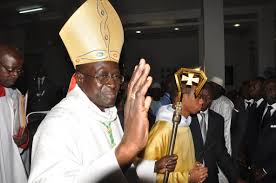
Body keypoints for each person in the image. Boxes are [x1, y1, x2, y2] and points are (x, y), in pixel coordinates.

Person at [28, 0, 160, 182]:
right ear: (80, 78)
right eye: (102, 76)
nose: (112, 83)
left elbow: (121, 167)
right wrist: (125, 149)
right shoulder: (59, 123)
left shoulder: (107, 114)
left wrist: (152, 166)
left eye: (116, 76)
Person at [141, 68, 208, 183]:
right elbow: (146, 177)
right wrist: (187, 178)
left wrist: (192, 166)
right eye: (198, 96)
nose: (202, 101)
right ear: (180, 96)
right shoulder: (163, 129)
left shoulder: (185, 124)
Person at [190, 82, 244, 183]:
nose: (204, 101)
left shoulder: (217, 120)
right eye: (201, 96)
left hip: (211, 176)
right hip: (190, 176)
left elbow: (221, 153)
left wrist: (236, 178)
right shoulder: (187, 117)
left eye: (208, 97)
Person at [0, 44, 29, 183]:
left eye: (19, 71)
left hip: (11, 169)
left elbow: (22, 133)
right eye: (10, 70)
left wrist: (23, 140)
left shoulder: (16, 96)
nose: (15, 75)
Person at [209, 76, 234, 183]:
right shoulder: (211, 101)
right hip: (213, 145)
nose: (211, 90)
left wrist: (224, 150)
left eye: (213, 87)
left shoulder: (225, 103)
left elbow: (226, 131)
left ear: (219, 89)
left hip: (223, 146)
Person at [251, 78, 276, 183]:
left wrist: (266, 170)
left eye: (271, 89)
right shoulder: (257, 110)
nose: (268, 92)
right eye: (265, 89)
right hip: (254, 170)